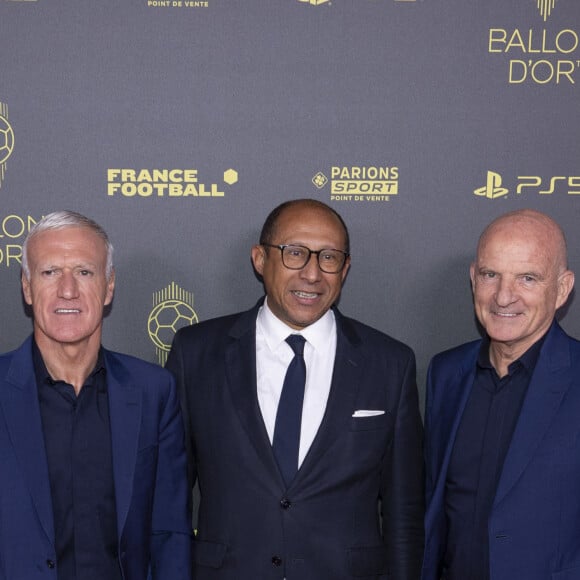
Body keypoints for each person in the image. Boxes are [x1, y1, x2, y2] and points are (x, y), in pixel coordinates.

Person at [166, 198, 424, 580]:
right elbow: (168, 499)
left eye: (329, 257)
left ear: (345, 268)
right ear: (259, 259)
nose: (312, 274)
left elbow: (404, 513)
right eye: (295, 253)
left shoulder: (390, 363)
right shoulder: (196, 353)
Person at [0, 211, 192, 580]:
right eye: (50, 272)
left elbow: (169, 532)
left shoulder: (153, 391)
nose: (67, 289)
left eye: (85, 272)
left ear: (109, 286)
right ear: (26, 286)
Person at [422, 209, 578, 580]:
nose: (504, 297)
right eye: (491, 275)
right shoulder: (446, 373)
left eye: (527, 278)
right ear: (474, 278)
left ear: (561, 289)